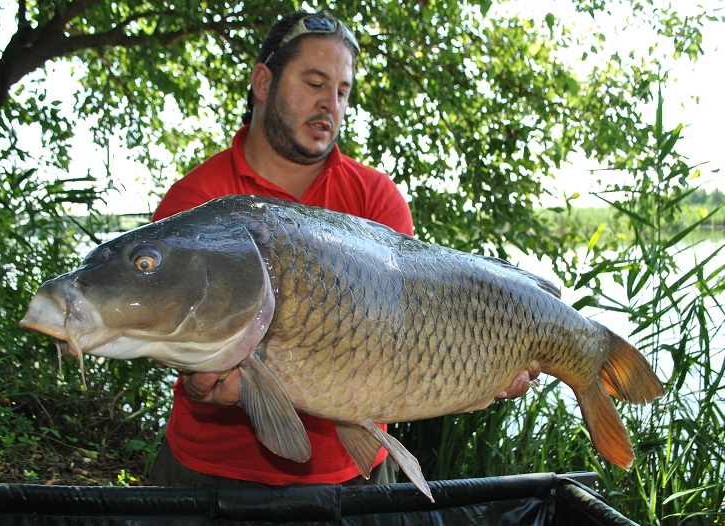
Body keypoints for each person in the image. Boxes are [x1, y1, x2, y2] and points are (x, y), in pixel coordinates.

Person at [149, 11, 541, 488]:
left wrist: (490, 364)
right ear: (262, 81)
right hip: (210, 474)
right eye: (314, 82)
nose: (328, 104)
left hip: (354, 475)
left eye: (341, 91)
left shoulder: (375, 198)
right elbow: (162, 327)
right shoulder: (197, 202)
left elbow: (413, 334)